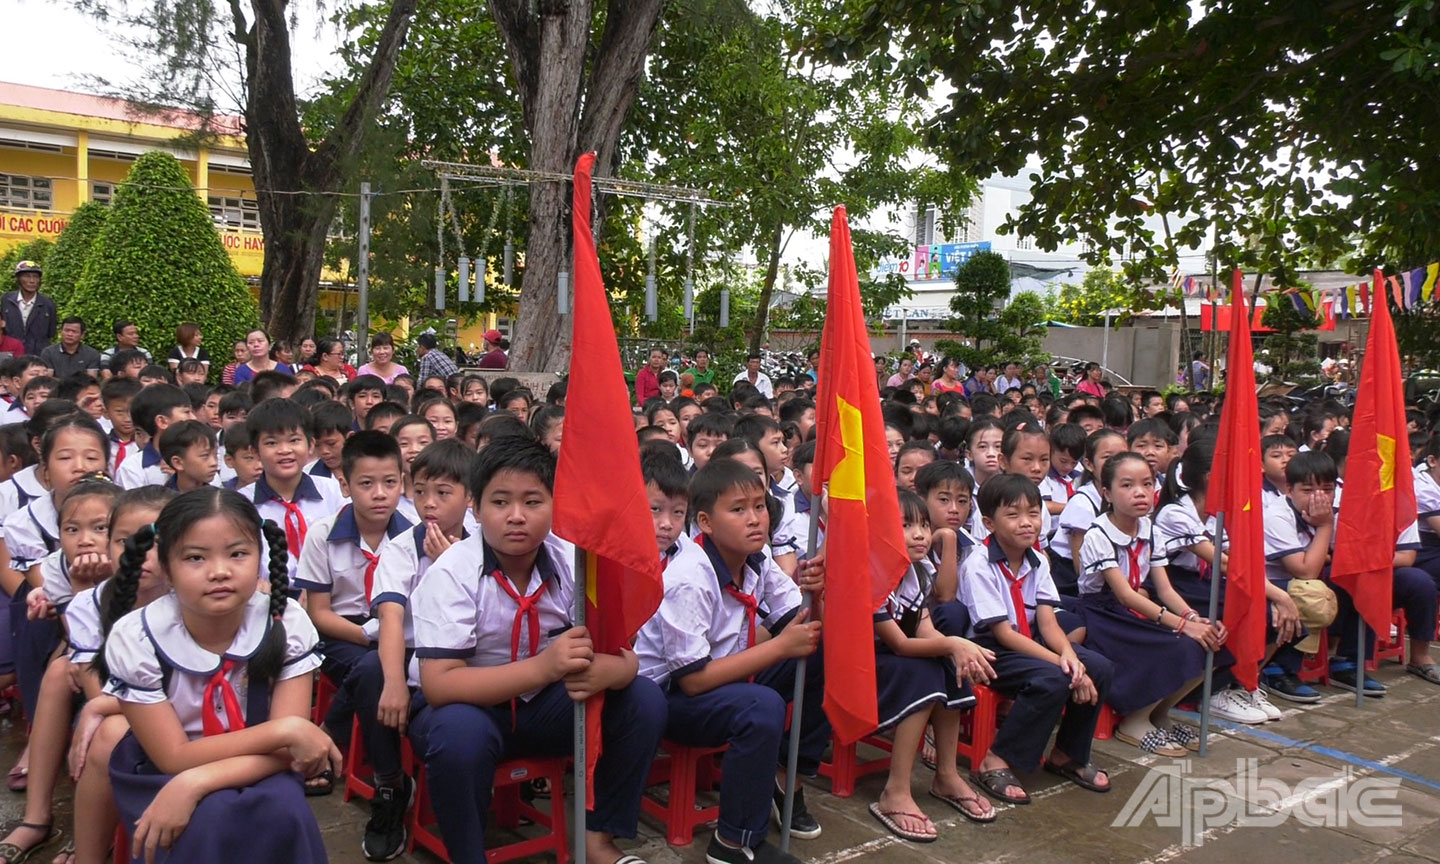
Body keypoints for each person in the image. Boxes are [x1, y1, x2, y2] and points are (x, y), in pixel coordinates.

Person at [407, 437, 666, 864]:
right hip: (468, 711)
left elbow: (624, 651)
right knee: (459, 734)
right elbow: (440, 684)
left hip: (542, 708)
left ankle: (598, 839)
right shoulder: (452, 571)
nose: (516, 516)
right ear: (476, 508)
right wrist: (544, 668)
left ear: (554, 506)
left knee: (643, 700)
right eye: (500, 502)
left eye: (532, 501)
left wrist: (617, 670)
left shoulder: (573, 561)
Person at [97, 488, 335, 864]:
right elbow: (172, 756)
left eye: (238, 553)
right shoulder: (139, 636)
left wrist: (198, 781)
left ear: (260, 557)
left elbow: (290, 750)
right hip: (160, 772)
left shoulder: (284, 621)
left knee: (284, 808)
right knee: (208, 818)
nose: (220, 571)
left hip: (262, 764)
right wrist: (287, 731)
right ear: (166, 568)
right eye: (195, 557)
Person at [633, 457, 827, 864]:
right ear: (705, 522)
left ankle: (784, 776)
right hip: (668, 699)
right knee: (761, 705)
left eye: (759, 506)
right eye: (738, 510)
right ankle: (733, 843)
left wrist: (817, 594)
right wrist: (779, 647)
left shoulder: (756, 560)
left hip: (723, 677)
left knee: (821, 649)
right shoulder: (689, 576)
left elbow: (801, 623)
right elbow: (693, 681)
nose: (755, 519)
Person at [960, 474, 1113, 805]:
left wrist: (1070, 656)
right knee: (1053, 678)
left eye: (1033, 513)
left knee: (1099, 667)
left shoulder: (1038, 561)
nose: (1027, 523)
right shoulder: (979, 564)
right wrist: (1064, 665)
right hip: (990, 650)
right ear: (989, 523)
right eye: (1013, 515)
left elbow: (1047, 621)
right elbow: (1003, 634)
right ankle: (996, 760)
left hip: (1030, 642)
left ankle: (1067, 753)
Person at [1075, 452, 1225, 756]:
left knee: (1210, 642)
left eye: (1146, 483)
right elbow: (1124, 595)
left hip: (1134, 609)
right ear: (1107, 493)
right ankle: (1135, 720)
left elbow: (1165, 588)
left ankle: (1159, 713)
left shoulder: (1150, 530)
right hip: (1103, 615)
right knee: (1178, 646)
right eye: (1127, 485)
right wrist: (1182, 626)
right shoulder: (1098, 534)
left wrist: (1192, 618)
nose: (1140, 492)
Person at [867, 489, 996, 841]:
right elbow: (899, 643)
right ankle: (895, 790)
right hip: (862, 665)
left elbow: (925, 630)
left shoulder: (917, 570)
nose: (920, 534)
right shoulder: (871, 573)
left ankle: (946, 774)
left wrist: (957, 650)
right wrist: (954, 643)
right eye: (906, 525)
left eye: (924, 525)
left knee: (946, 664)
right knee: (924, 671)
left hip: (894, 658)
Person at [297, 432, 411, 807]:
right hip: (342, 634)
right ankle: (390, 779)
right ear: (345, 486)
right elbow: (318, 613)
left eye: (389, 482)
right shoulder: (323, 535)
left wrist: (387, 638)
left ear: (402, 482)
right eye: (366, 484)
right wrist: (368, 636)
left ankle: (329, 732)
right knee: (375, 665)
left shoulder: (414, 533)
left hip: (397, 630)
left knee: (377, 666)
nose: (380, 494)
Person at [236, 398, 347, 585]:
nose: (285, 450)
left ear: (311, 445)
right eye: (272, 443)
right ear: (255, 451)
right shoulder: (241, 505)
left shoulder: (333, 492)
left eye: (294, 440)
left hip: (329, 593)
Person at [1051, 428, 1126, 596]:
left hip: (1111, 574)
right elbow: (1081, 568)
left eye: (1122, 456)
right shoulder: (1082, 503)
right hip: (1071, 579)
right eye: (1107, 457)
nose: (1116, 464)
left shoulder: (1126, 499)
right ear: (1089, 464)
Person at [115, 384, 196, 489]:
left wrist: (187, 479)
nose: (193, 418)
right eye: (187, 412)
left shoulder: (200, 458)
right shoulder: (132, 468)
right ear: (162, 421)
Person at [2, 261, 57, 357]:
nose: (32, 281)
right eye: (27, 276)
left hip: (37, 355)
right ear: (18, 279)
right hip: (11, 354)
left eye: (35, 277)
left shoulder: (47, 304)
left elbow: (51, 332)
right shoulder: (6, 300)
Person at [158, 419, 221, 492]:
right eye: (205, 455)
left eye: (215, 454)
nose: (214, 463)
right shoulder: (161, 498)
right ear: (178, 463)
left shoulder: (219, 497)